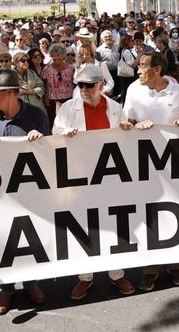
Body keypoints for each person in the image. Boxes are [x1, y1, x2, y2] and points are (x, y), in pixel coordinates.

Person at [52, 65, 136, 300]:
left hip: (109, 176)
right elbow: (54, 134)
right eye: (80, 85)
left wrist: (129, 130)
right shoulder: (69, 108)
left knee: (112, 224)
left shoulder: (115, 108)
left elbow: (126, 139)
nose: (85, 90)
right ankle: (85, 277)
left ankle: (116, 273)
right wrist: (65, 133)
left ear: (101, 85)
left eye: (89, 85)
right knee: (83, 226)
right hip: (79, 177)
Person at [0, 69, 50, 316]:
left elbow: (53, 155)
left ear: (8, 93)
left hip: (29, 192)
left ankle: (31, 283)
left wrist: (40, 141)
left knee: (30, 239)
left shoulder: (37, 115)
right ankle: (6, 288)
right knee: (2, 241)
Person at [120, 51, 179, 291]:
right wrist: (134, 125)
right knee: (148, 218)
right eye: (139, 66)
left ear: (158, 69)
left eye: (143, 66)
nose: (139, 70)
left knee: (175, 214)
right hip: (144, 166)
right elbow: (126, 122)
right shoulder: (133, 90)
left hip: (174, 166)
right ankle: (149, 270)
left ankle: (176, 266)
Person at [41, 43, 76, 126]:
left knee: (68, 122)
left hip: (68, 99)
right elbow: (43, 83)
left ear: (63, 55)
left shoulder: (71, 68)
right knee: (53, 123)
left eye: (58, 55)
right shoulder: (47, 69)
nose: (56, 57)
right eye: (53, 55)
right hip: (52, 100)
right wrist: (45, 97)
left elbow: (74, 84)